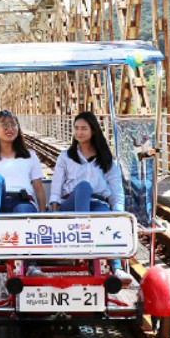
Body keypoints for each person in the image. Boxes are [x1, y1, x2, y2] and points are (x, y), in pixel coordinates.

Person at [49, 111, 133, 283]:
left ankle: (116, 267)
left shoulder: (107, 160)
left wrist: (118, 214)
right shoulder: (66, 157)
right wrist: (55, 206)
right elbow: (56, 184)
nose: (79, 132)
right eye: (76, 128)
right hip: (71, 204)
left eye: (84, 129)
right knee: (83, 186)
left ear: (93, 130)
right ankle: (85, 239)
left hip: (95, 203)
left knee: (105, 212)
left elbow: (116, 189)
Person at [0, 109, 46, 232]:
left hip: (23, 200)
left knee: (23, 213)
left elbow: (39, 189)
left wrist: (43, 214)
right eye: (4, 125)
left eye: (13, 124)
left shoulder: (30, 156)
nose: (10, 128)